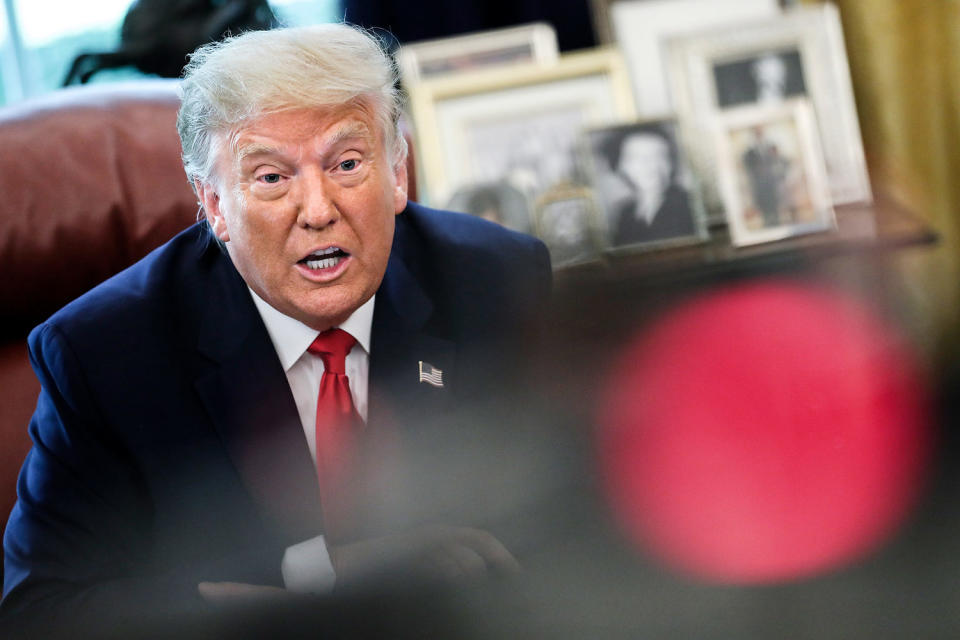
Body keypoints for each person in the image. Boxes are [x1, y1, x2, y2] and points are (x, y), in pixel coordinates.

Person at [2, 24, 550, 637]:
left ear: (396, 172)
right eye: (271, 178)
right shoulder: (105, 353)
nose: (318, 211)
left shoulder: (494, 280)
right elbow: (41, 611)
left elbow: (574, 517)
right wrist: (313, 571)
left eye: (346, 163)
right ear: (213, 204)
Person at [599, 125, 695, 248]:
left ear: (671, 163)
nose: (651, 165)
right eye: (637, 157)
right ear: (619, 166)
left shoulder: (688, 204)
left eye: (659, 155)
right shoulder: (625, 212)